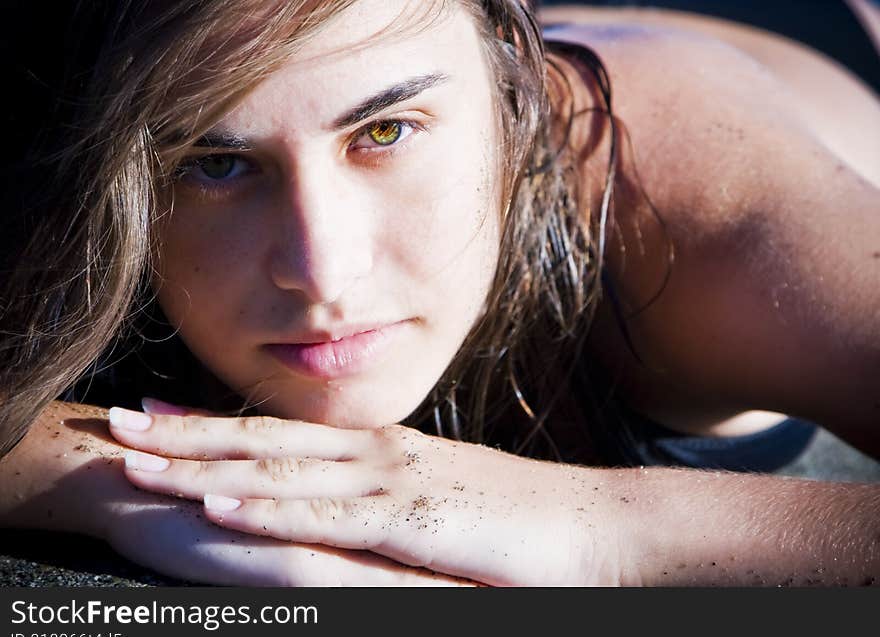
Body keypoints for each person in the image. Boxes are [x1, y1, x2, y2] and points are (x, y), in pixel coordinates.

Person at [0, 0, 878, 586]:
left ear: (512, 99)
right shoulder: (83, 146)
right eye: (214, 163)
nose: (323, 272)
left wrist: (603, 528)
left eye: (386, 131)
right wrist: (113, 474)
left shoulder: (673, 207)